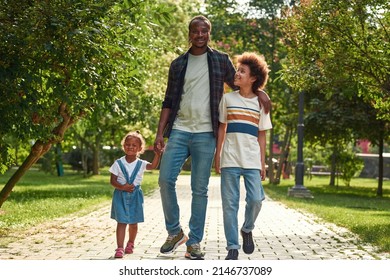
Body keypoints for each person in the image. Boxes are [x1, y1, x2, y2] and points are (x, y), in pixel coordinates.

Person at [153, 15, 271, 260]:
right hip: (179, 130)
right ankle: (174, 231)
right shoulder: (178, 64)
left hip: (206, 133)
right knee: (165, 180)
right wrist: (159, 133)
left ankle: (194, 242)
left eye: (204, 31)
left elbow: (241, 84)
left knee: (200, 189)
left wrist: (261, 93)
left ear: (209, 33)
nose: (200, 35)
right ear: (189, 34)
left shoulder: (220, 60)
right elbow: (168, 101)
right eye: (195, 31)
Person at [215, 52, 272, 260]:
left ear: (253, 78)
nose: (236, 74)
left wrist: (263, 164)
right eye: (238, 70)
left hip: (252, 160)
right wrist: (217, 155)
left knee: (256, 199)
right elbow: (222, 128)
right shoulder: (228, 99)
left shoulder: (261, 104)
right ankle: (232, 246)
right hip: (230, 158)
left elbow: (262, 136)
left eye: (242, 71)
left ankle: (247, 229)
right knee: (230, 204)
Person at [109, 131, 161, 258]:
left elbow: (153, 166)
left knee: (133, 222)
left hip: (136, 196)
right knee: (121, 222)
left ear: (139, 148)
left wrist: (157, 155)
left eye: (134, 145)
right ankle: (119, 248)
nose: (130, 147)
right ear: (124, 146)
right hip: (120, 196)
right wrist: (123, 187)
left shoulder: (141, 164)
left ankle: (130, 243)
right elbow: (112, 181)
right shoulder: (118, 163)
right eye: (127, 144)